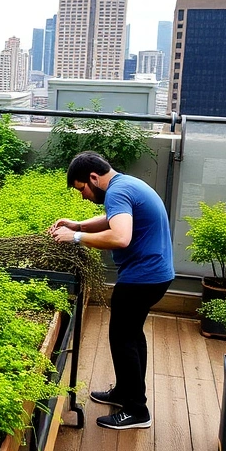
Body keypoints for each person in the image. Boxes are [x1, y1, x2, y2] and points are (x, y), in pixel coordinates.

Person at [49, 151, 174, 430]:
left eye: (82, 188)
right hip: (156, 274)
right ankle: (126, 394)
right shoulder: (125, 184)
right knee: (131, 336)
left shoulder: (118, 192)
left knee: (123, 339)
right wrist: (77, 224)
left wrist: (76, 237)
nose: (83, 196)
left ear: (94, 178)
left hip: (143, 277)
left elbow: (120, 236)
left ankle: (137, 412)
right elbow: (111, 220)